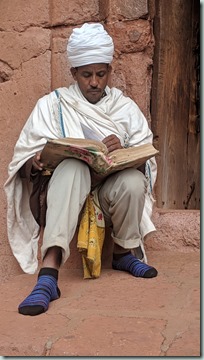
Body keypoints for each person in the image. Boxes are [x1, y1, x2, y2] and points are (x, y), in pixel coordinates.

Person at [4, 22, 158, 316]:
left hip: (106, 195)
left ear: (109, 73)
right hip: (66, 193)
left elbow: (146, 156)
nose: (94, 82)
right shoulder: (53, 105)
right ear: (74, 73)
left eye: (101, 74)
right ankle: (48, 275)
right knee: (74, 167)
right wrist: (34, 161)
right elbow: (22, 156)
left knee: (133, 182)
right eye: (86, 75)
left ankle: (125, 253)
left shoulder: (124, 109)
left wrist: (124, 151)